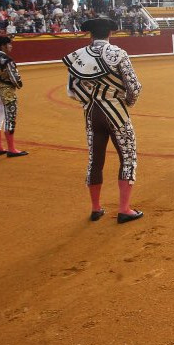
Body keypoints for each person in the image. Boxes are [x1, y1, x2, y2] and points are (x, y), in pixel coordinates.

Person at [63, 17, 143, 224]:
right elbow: (134, 87)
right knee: (127, 157)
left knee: (95, 160)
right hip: (116, 112)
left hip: (91, 113)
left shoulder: (78, 56)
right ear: (110, 33)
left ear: (91, 34)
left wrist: (90, 100)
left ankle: (96, 208)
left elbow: (72, 90)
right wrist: (126, 103)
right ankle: (124, 209)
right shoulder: (118, 54)